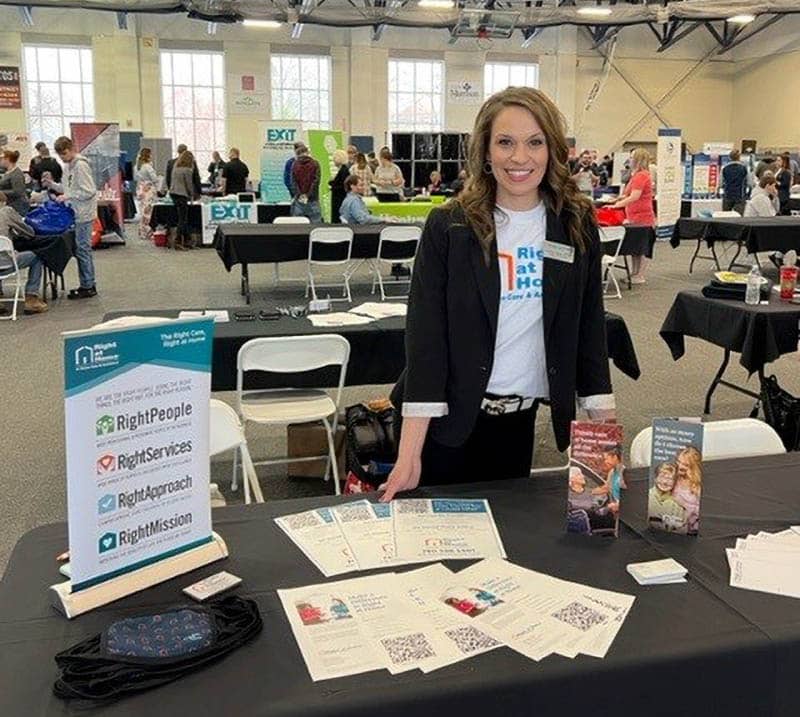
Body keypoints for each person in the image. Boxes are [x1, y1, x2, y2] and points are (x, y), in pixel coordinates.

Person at [379, 86, 614, 501]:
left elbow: (589, 337)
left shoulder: (574, 226)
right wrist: (409, 454)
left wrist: (605, 449)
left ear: (552, 150)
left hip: (516, 427)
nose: (519, 157)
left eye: (534, 142)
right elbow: (426, 343)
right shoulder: (450, 227)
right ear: (485, 152)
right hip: (444, 427)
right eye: (505, 142)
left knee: (508, 549)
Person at [49, 136, 98, 299]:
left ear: (70, 149)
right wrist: (52, 185)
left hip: (83, 214)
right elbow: (67, 187)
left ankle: (88, 285)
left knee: (83, 249)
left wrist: (68, 196)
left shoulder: (80, 166)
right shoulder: (69, 166)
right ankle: (88, 282)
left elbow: (89, 191)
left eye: (63, 154)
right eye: (60, 155)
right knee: (80, 249)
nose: (62, 158)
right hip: (75, 212)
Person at [610, 147, 654, 285]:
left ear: (638, 159)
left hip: (643, 217)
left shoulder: (642, 175)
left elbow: (635, 196)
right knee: (635, 247)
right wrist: (617, 199)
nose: (630, 159)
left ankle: (640, 275)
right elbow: (627, 194)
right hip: (634, 216)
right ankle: (634, 273)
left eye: (632, 156)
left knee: (641, 248)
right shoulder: (636, 175)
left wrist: (617, 205)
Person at [0, 191, 47, 314]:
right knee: (36, 257)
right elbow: (29, 232)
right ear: (3, 202)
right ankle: (31, 298)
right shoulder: (6, 211)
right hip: (5, 264)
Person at [169, 150, 199, 250]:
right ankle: (178, 242)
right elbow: (189, 185)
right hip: (182, 195)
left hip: (173, 193)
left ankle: (186, 241)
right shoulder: (188, 170)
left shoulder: (176, 167)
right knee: (183, 219)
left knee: (182, 217)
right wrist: (192, 195)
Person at [671, 446, 702, 534]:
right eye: (679, 462)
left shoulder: (696, 485)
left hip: (692, 528)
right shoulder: (673, 478)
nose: (680, 466)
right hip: (672, 522)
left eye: (685, 465)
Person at [647, 463, 687, 530]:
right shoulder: (646, 496)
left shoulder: (680, 504)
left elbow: (682, 530)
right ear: (655, 478)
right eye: (662, 477)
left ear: (675, 482)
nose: (665, 482)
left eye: (670, 479)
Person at [290, 143, 322, 222]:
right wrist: (308, 195)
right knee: (316, 225)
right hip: (313, 199)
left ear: (297, 154)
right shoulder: (315, 164)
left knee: (298, 226)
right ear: (307, 153)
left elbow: (293, 182)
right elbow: (316, 181)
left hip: (299, 200)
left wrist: (300, 195)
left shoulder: (294, 165)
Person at [134, 147, 158, 241]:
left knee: (142, 212)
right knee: (148, 212)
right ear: (148, 155)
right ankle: (148, 233)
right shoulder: (148, 166)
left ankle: (142, 232)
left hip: (140, 188)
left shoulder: (137, 166)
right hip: (148, 189)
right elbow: (155, 179)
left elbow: (136, 178)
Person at [0, 150, 29, 216]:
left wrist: (2, 192)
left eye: (1, 159)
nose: (0, 161)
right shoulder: (8, 172)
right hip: (10, 204)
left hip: (18, 206)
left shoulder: (16, 174)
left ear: (7, 159)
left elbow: (18, 191)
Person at [721, 149, 749, 215]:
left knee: (725, 217)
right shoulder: (744, 168)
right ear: (739, 157)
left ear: (730, 157)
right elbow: (750, 183)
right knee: (738, 218)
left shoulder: (724, 168)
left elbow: (720, 183)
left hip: (727, 195)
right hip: (740, 195)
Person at [328, 149, 349, 224]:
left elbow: (343, 185)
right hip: (339, 197)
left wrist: (332, 186)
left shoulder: (343, 170)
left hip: (339, 198)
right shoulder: (343, 169)